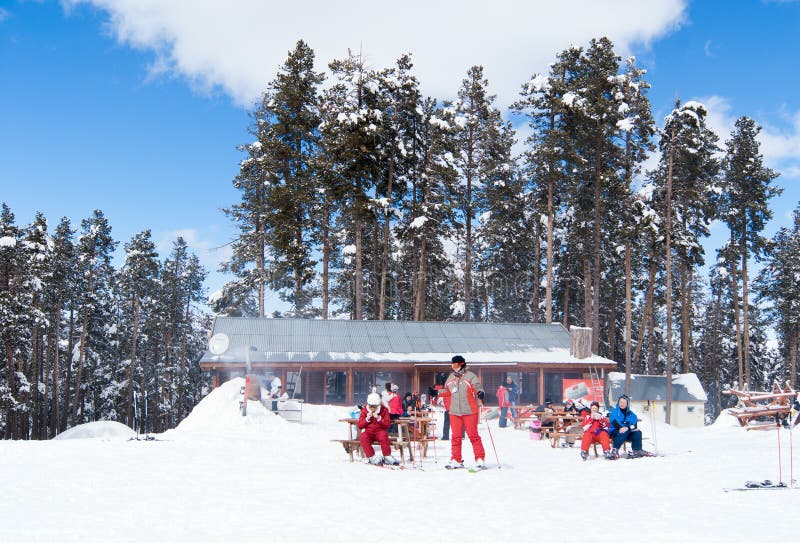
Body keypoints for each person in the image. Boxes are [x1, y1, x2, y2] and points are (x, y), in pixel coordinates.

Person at [438, 355, 486, 469]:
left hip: (469, 411)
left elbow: (477, 386)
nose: (453, 367)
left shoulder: (470, 376)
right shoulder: (451, 378)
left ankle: (480, 458)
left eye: (455, 364)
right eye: (452, 365)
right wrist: (436, 392)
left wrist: (480, 392)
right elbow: (447, 391)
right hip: (455, 412)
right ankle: (456, 459)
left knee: (473, 436)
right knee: (456, 437)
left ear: (462, 364)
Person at [358, 391, 399, 465]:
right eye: (371, 407)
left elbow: (387, 424)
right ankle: (371, 456)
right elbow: (360, 425)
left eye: (375, 407)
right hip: (369, 432)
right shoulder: (364, 410)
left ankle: (387, 456)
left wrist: (379, 418)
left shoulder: (384, 410)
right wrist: (367, 419)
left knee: (384, 436)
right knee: (363, 436)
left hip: (379, 431)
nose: (373, 408)